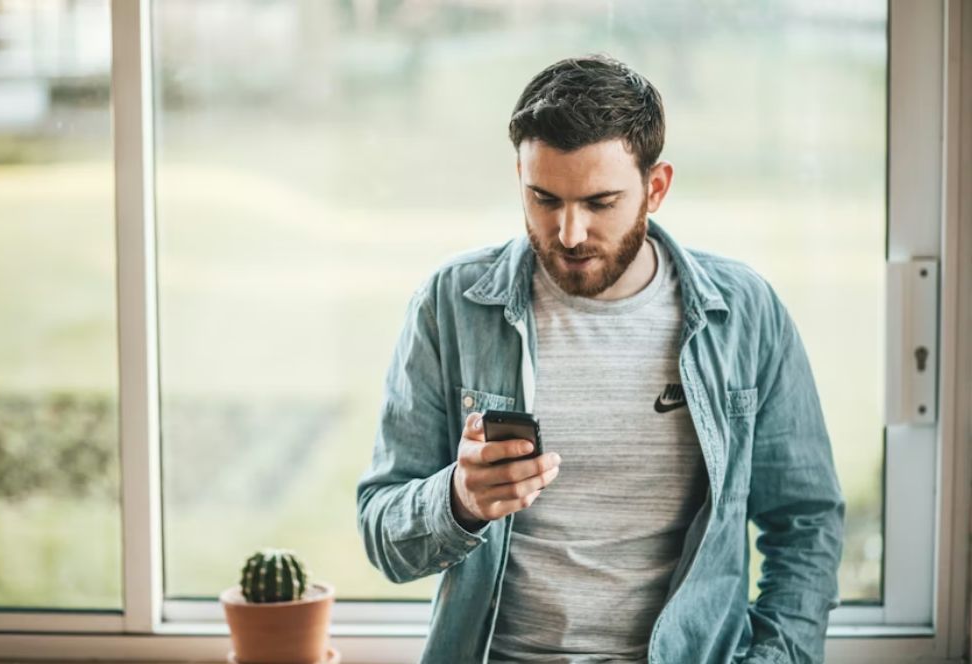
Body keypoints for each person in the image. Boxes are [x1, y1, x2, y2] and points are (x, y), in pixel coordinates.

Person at [356, 54, 844, 664]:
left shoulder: (745, 313)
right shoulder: (451, 304)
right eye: (543, 198)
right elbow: (382, 533)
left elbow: (806, 522)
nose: (568, 232)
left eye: (600, 202)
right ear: (519, 176)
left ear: (656, 187)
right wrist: (460, 501)